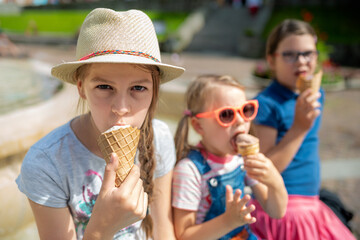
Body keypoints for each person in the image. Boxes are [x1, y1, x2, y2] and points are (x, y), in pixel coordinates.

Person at [16, 8, 184, 240]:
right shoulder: (46, 163)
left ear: (155, 90)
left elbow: (163, 231)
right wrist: (103, 226)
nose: (121, 107)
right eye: (104, 87)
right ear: (81, 88)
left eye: (138, 88)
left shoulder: (160, 137)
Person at [250, 19, 356, 239]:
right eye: (290, 55)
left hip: (312, 203)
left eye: (308, 53)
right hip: (284, 209)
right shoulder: (267, 104)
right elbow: (264, 170)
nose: (301, 62)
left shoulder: (316, 95)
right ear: (271, 60)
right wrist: (299, 128)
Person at [172, 74, 287, 240]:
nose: (240, 120)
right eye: (226, 115)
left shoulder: (241, 160)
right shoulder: (190, 171)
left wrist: (275, 181)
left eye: (246, 110)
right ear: (198, 126)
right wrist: (228, 221)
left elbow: (276, 211)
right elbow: (184, 235)